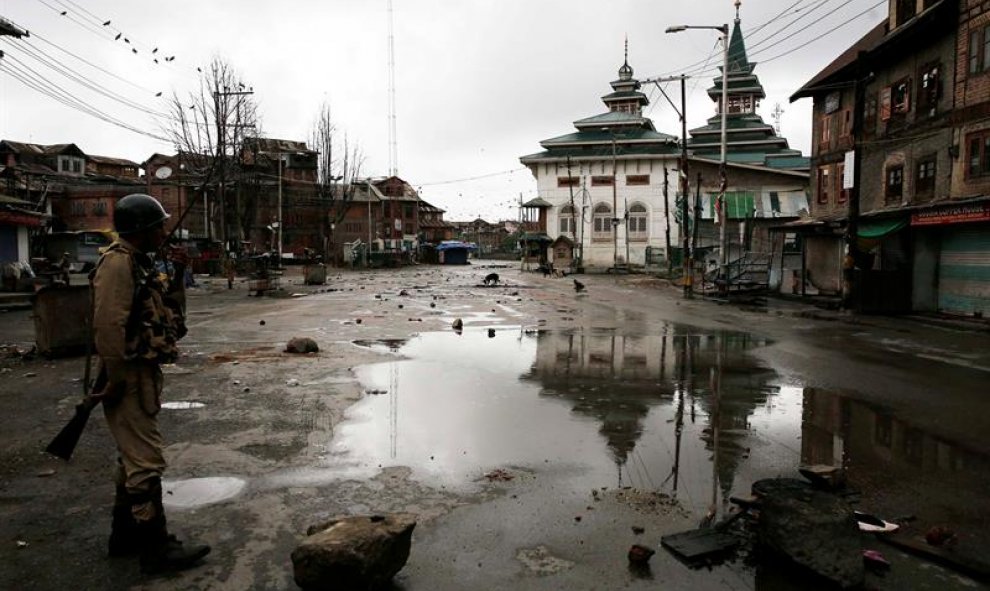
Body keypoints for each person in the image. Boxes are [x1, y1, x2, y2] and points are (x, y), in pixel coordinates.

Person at [91, 193, 210, 574]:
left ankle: (124, 535)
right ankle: (155, 551)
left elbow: (172, 321)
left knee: (132, 456)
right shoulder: (118, 263)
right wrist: (116, 379)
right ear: (143, 229)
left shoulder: (142, 264)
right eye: (158, 225)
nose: (164, 230)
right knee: (146, 459)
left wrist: (176, 276)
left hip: (140, 372)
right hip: (126, 374)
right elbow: (108, 325)